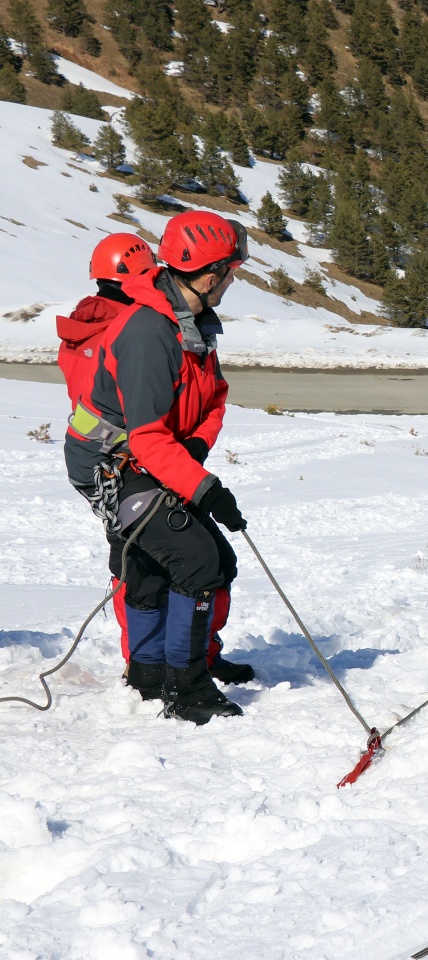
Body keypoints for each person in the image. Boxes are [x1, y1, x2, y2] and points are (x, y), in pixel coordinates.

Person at [64, 211, 252, 724]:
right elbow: (145, 436)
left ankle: (150, 671)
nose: (233, 279)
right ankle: (186, 689)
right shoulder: (151, 332)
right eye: (231, 270)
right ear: (210, 274)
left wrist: (193, 450)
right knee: (198, 561)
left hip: (152, 459)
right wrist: (205, 488)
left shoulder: (193, 326)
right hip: (110, 465)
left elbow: (214, 398)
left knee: (165, 560)